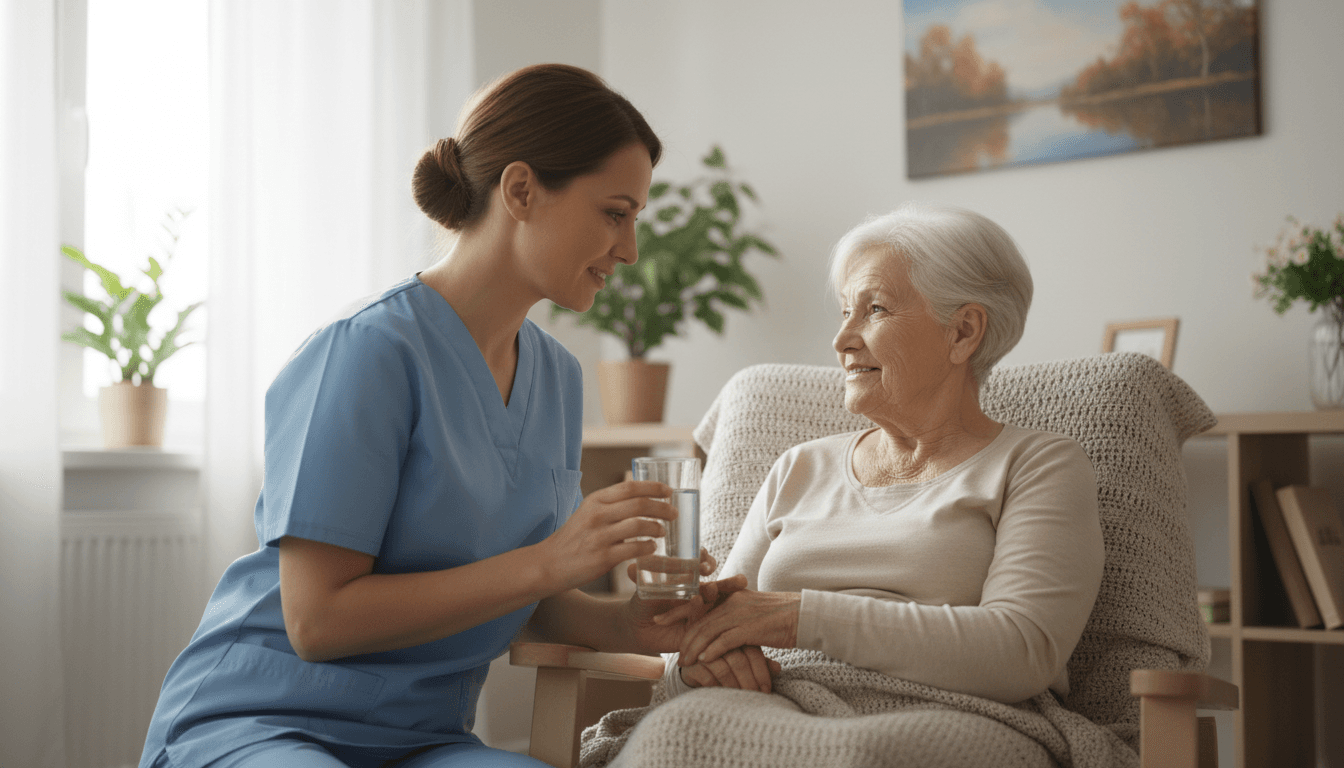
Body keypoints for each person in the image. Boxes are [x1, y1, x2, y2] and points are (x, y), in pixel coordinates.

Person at [137, 63, 758, 768]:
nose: (630, 249)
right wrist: (551, 561)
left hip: (421, 740)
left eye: (635, 219)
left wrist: (630, 621)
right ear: (521, 190)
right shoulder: (367, 353)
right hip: (264, 721)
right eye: (615, 213)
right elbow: (316, 621)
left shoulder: (556, 377)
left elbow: (524, 593)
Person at [651, 202, 1105, 706]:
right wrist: (701, 665)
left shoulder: (1038, 466)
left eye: (876, 309)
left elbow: (1022, 651)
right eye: (846, 310)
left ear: (963, 332)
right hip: (769, 707)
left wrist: (797, 617)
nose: (842, 339)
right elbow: (709, 634)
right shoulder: (798, 468)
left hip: (942, 723)